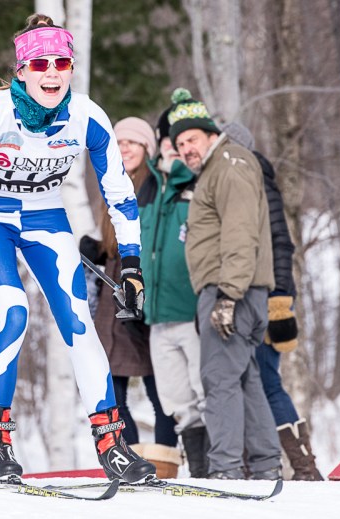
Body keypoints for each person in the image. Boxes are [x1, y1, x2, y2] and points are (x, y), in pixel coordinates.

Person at [0, 13, 156, 484]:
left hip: (44, 215)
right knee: (13, 310)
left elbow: (120, 194)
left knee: (77, 320)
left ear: (70, 69)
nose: (52, 72)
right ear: (22, 70)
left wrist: (130, 264)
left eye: (61, 62)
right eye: (41, 62)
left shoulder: (87, 116)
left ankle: (112, 444)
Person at [169, 88, 282, 480]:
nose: (186, 149)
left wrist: (228, 296)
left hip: (232, 289)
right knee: (244, 379)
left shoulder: (230, 164)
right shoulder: (219, 168)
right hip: (234, 289)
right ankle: (266, 465)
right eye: (180, 144)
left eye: (192, 139)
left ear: (210, 134)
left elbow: (239, 233)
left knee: (218, 381)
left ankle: (225, 469)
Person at [223, 122, 324, 481]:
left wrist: (280, 297)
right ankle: (264, 462)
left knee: (265, 378)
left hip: (266, 296)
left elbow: (281, 243)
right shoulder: (235, 184)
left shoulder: (257, 181)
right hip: (244, 296)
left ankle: (302, 465)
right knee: (246, 379)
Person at [82, 117, 181, 478]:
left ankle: (166, 462)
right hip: (114, 299)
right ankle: (130, 459)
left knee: (161, 392)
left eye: (132, 144)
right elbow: (115, 245)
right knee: (115, 391)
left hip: (145, 294)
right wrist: (97, 250)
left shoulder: (153, 186)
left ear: (146, 149)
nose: (124, 149)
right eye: (118, 143)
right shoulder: (113, 185)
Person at [138, 107, 209, 477]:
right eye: (164, 141)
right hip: (157, 315)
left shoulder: (197, 185)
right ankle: (199, 472)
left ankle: (225, 469)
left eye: (177, 143)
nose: (170, 149)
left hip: (192, 311)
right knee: (177, 402)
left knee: (207, 393)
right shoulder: (151, 186)